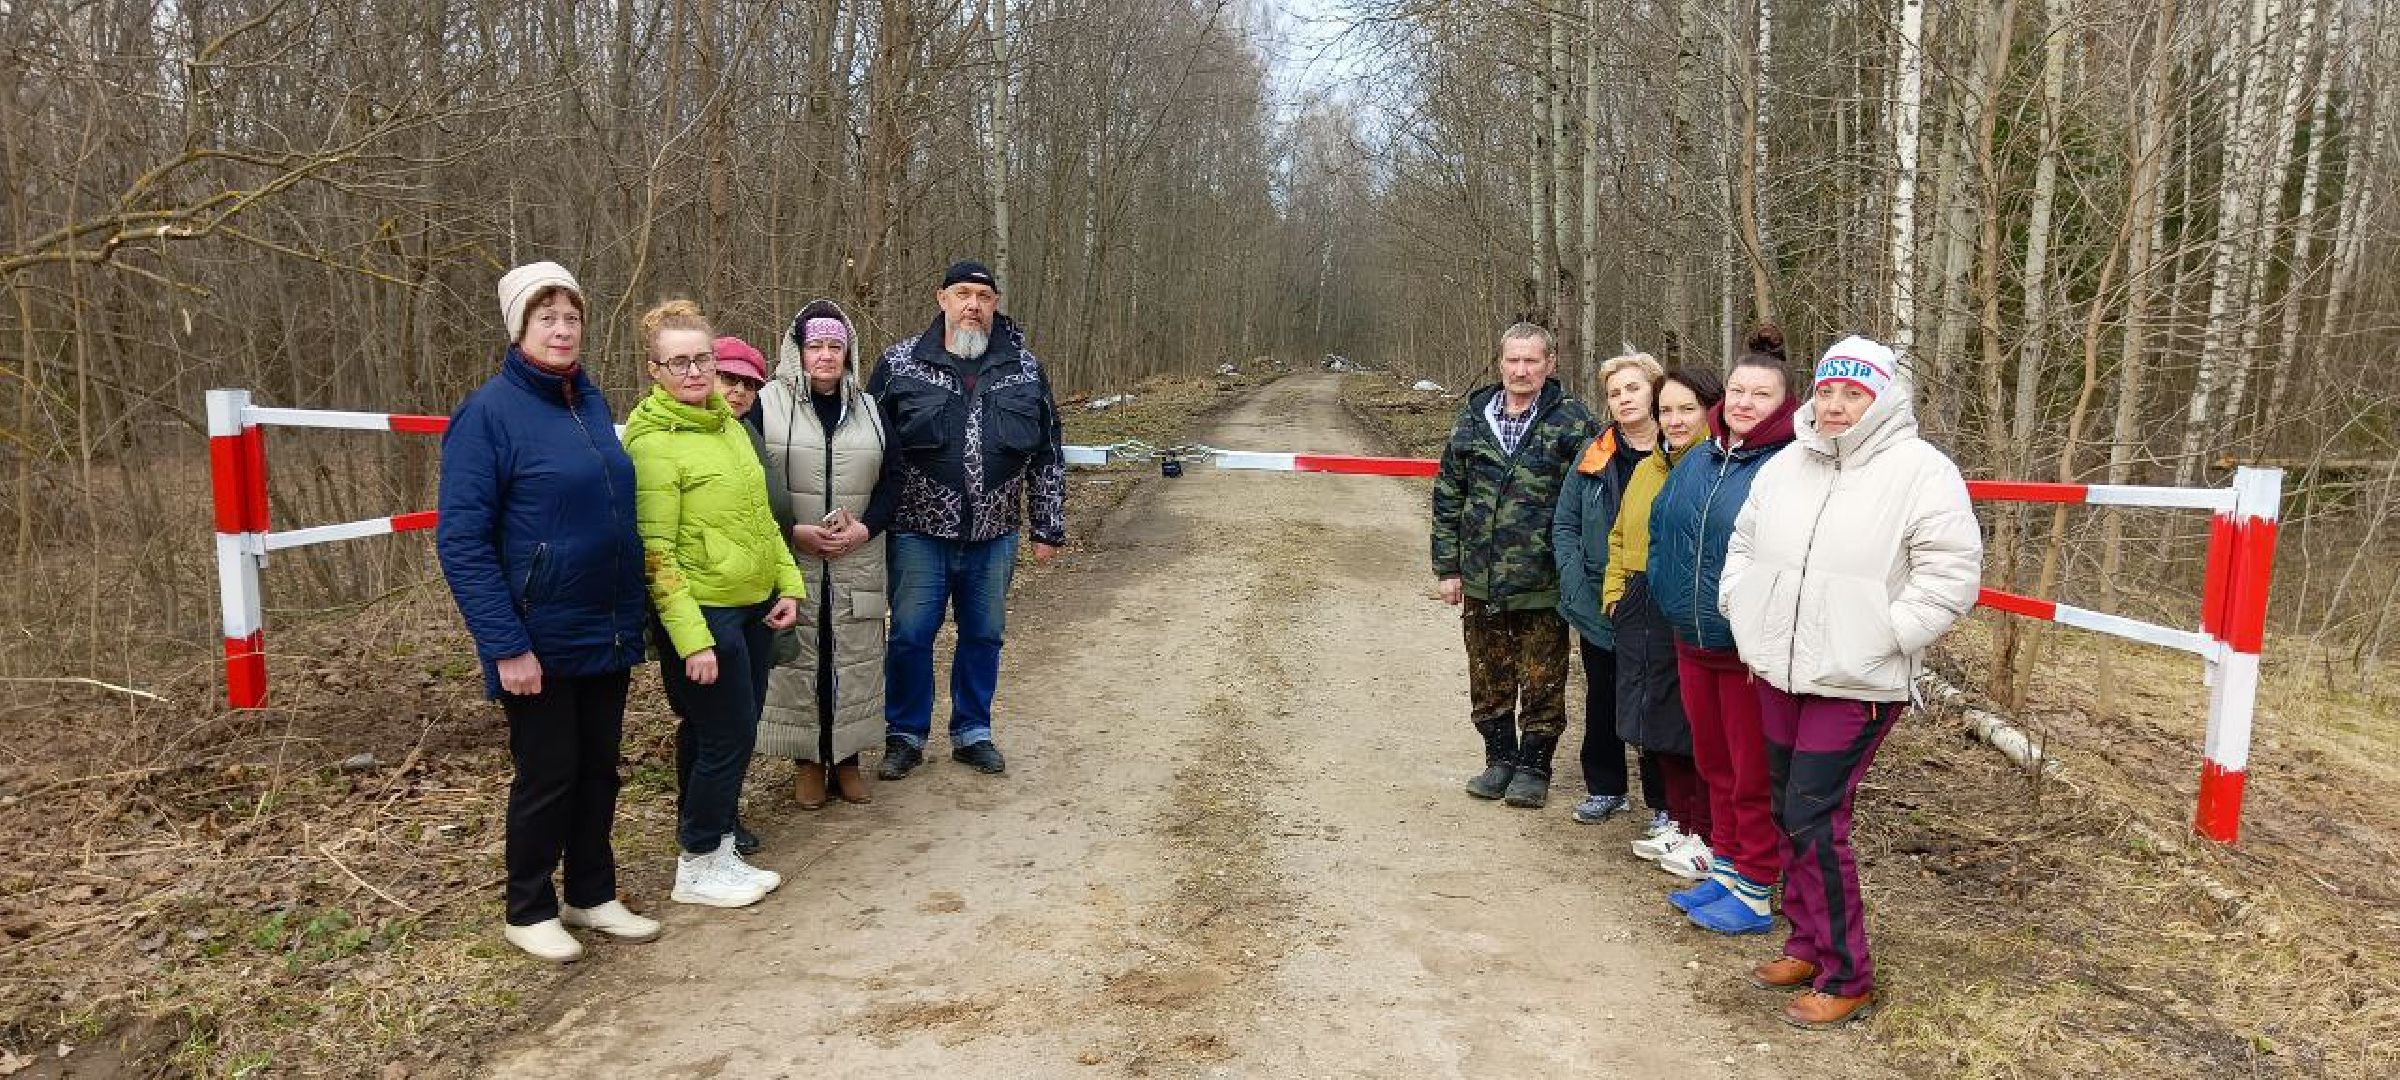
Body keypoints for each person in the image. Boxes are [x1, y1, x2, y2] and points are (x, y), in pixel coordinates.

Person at [1722, 335, 1981, 1028]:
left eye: (1854, 393)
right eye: (1828, 390)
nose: (1836, 405)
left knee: (1813, 815)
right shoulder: (1786, 466)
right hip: (1779, 667)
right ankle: (1807, 942)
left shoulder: (1921, 472)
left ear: (1882, 398)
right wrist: (1742, 610)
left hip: (1858, 681)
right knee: (1786, 809)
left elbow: (1951, 575)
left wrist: (1882, 634)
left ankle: (1847, 972)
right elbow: (1743, 547)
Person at [436, 262, 656, 963]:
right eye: (547, 318)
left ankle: (590, 894)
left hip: (607, 624)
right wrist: (505, 644)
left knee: (599, 768)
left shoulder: (586, 403)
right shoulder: (488, 414)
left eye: (572, 317)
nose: (563, 329)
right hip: (536, 635)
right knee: (548, 772)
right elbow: (461, 540)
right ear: (519, 328)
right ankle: (527, 906)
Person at [623, 299, 805, 909]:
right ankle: (697, 862)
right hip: (705, 614)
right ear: (654, 370)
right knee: (725, 736)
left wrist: (788, 585)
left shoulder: (729, 429)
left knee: (733, 731)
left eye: (702, 358)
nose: (695, 372)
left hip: (755, 605)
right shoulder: (654, 445)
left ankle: (719, 848)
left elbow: (762, 520)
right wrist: (692, 636)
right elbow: (656, 552)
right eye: (679, 362)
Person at [868, 260, 1065, 779]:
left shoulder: (1024, 368)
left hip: (996, 532)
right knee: (910, 634)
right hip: (916, 531)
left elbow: (1047, 451)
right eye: (962, 294)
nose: (972, 305)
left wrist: (1048, 526)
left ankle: (973, 731)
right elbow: (869, 448)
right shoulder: (899, 364)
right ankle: (905, 734)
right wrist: (868, 524)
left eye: (983, 295)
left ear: (995, 304)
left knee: (984, 634)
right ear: (942, 300)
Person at [1648, 325, 1804, 937]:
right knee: (1713, 764)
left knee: (1750, 773)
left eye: (1759, 396)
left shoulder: (1787, 465)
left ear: (1784, 405)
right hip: (1692, 638)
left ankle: (1757, 888)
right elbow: (1663, 531)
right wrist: (1668, 597)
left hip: (1746, 649)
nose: (1743, 403)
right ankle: (1728, 868)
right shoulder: (1702, 459)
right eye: (1736, 391)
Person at [1431, 322, 1598, 809]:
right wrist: (1448, 568)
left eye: (1532, 361)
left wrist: (1578, 572)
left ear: (1550, 364)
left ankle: (1534, 766)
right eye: (1513, 360)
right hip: (1482, 578)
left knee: (1544, 675)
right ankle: (1499, 759)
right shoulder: (1473, 418)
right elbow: (1448, 496)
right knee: (1487, 673)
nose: (1521, 370)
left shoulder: (1572, 421)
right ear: (1500, 362)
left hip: (1544, 581)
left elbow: (1587, 504)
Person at [759, 299, 897, 808]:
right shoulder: (765, 403)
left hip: (856, 558)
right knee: (799, 658)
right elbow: (750, 485)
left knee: (855, 658)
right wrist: (793, 531)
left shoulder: (871, 409)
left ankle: (848, 760)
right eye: (814, 346)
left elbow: (894, 482)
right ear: (797, 352)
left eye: (834, 346)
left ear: (848, 352)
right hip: (791, 557)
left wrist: (864, 529)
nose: (824, 356)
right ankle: (808, 762)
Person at [1602, 365, 1722, 875]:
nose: (1674, 420)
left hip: (1691, 607)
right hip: (1640, 602)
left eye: (1685, 409)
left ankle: (1706, 830)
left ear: (1709, 411)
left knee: (1694, 724)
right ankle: (1677, 820)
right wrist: (1615, 593)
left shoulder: (1714, 465)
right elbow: (1620, 536)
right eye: (1666, 410)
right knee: (1655, 719)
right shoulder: (1651, 467)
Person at [1552, 351, 1665, 824]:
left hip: (1660, 601)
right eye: (1615, 393)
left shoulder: (1681, 453)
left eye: (1633, 388)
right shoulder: (1594, 454)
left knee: (1659, 701)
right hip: (1601, 598)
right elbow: (1565, 524)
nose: (1624, 399)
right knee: (1602, 695)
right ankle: (1605, 786)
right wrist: (1577, 586)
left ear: (1655, 391)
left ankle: (1665, 801)